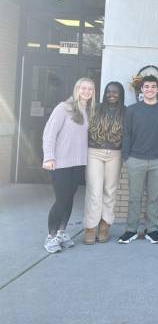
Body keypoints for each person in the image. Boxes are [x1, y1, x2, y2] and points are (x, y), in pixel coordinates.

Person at [118, 75, 158, 245]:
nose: (150, 89)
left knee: (154, 197)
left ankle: (152, 230)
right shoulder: (132, 110)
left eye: (153, 86)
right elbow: (126, 134)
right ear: (141, 89)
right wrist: (127, 157)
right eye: (146, 87)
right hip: (135, 159)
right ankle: (131, 230)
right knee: (134, 197)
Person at [42, 77, 95, 253]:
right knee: (61, 200)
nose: (86, 92)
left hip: (78, 163)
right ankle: (50, 237)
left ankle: (61, 233)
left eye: (90, 89)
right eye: (83, 88)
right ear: (77, 89)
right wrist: (49, 157)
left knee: (69, 199)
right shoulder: (63, 108)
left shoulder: (88, 111)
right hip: (61, 163)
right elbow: (49, 134)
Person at [83, 81, 125, 245]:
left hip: (115, 153)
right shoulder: (95, 108)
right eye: (108, 92)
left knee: (110, 190)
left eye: (115, 92)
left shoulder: (126, 112)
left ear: (120, 94)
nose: (111, 95)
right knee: (94, 190)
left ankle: (105, 225)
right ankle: (91, 227)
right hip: (94, 152)